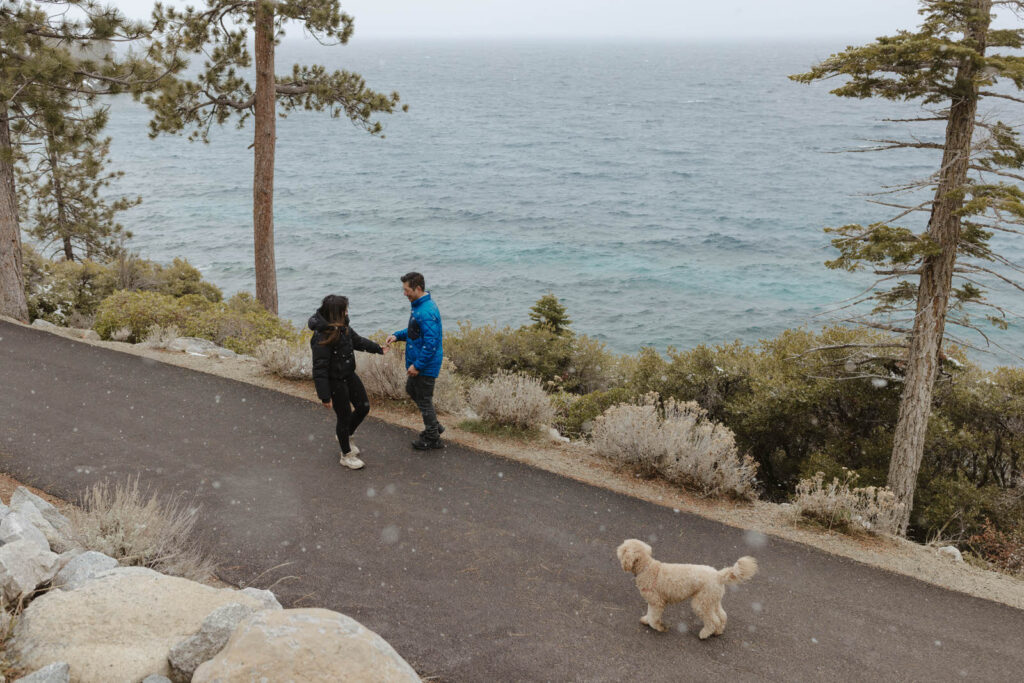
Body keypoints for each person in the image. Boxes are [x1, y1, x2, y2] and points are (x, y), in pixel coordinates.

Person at [310, 294, 386, 469]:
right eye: (345, 309)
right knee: (343, 417)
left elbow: (357, 342)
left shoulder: (344, 327)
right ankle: (346, 455)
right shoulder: (321, 337)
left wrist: (378, 349)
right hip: (335, 381)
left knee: (364, 407)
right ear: (337, 312)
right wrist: (325, 396)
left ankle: (346, 434)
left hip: (349, 375)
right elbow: (319, 369)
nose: (347, 312)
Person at [386, 272, 445, 450]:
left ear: (418, 288)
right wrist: (397, 336)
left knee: (424, 398)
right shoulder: (419, 306)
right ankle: (434, 425)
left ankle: (432, 437)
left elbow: (431, 343)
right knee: (412, 389)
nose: (404, 293)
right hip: (421, 362)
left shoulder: (426, 311)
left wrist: (418, 365)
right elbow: (415, 332)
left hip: (426, 365)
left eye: (406, 290)